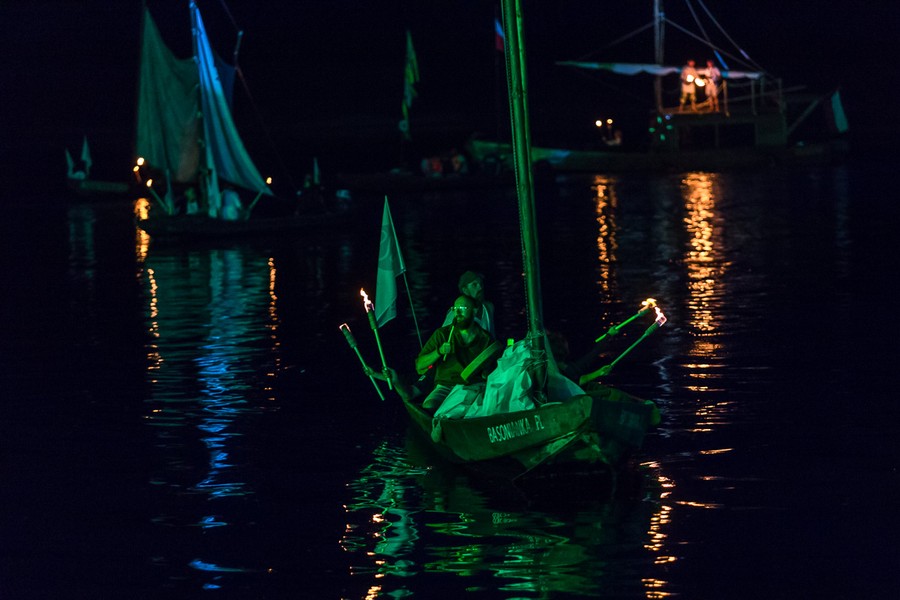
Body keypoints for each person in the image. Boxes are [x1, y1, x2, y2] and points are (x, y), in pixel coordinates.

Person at [416, 295, 494, 411]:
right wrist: (439, 351)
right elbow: (419, 366)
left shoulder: (485, 338)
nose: (457, 312)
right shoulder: (443, 334)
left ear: (474, 310)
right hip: (446, 386)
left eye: (462, 308)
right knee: (429, 406)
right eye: (454, 308)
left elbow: (489, 369)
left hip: (472, 386)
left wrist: (486, 373)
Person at [442, 271, 496, 339]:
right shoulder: (455, 313)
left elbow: (492, 338)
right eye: (474, 285)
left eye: (481, 284)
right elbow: (443, 339)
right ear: (465, 290)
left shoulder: (488, 308)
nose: (480, 288)